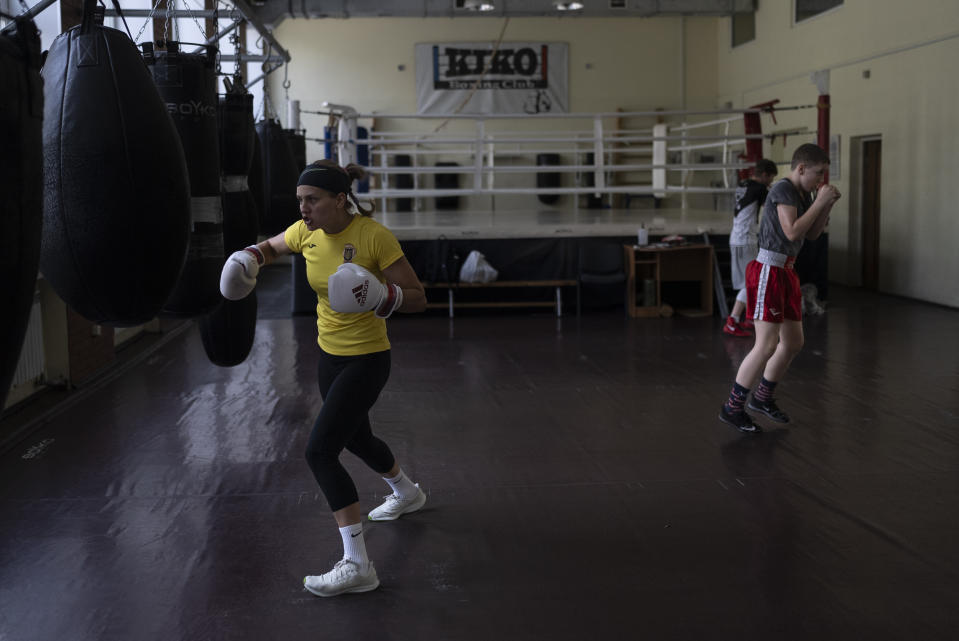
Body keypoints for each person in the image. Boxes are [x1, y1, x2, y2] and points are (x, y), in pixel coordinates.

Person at [219, 159, 428, 596]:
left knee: (320, 451)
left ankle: (358, 565)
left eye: (312, 200)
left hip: (368, 359)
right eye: (300, 200)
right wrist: (251, 256)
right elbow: (273, 246)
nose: (303, 209)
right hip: (329, 357)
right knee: (356, 438)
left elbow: (418, 298)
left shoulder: (373, 236)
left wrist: (381, 296)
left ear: (339, 200)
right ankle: (406, 492)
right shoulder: (306, 232)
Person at [718, 143, 840, 433]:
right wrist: (820, 203)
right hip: (769, 270)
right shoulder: (783, 189)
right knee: (766, 344)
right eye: (818, 173)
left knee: (794, 343)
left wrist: (825, 205)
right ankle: (732, 407)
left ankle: (762, 398)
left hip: (787, 271)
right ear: (801, 169)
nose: (821, 180)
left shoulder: (804, 192)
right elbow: (792, 231)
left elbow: (811, 235)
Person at [723, 159, 778, 337]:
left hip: (737, 239)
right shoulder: (760, 188)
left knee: (749, 281)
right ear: (764, 175)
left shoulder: (743, 184)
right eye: (770, 178)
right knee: (752, 281)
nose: (770, 182)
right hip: (745, 240)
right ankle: (732, 320)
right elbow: (772, 206)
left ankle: (747, 318)